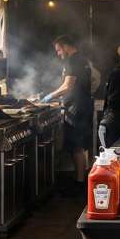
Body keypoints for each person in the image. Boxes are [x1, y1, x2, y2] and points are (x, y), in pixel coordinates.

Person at [43, 35, 94, 191]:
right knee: (78, 147)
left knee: (76, 147)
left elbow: (67, 86)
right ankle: (80, 180)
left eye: (58, 50)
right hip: (81, 106)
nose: (58, 54)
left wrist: (49, 96)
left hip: (77, 109)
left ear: (65, 46)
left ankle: (79, 184)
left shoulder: (73, 61)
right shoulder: (82, 59)